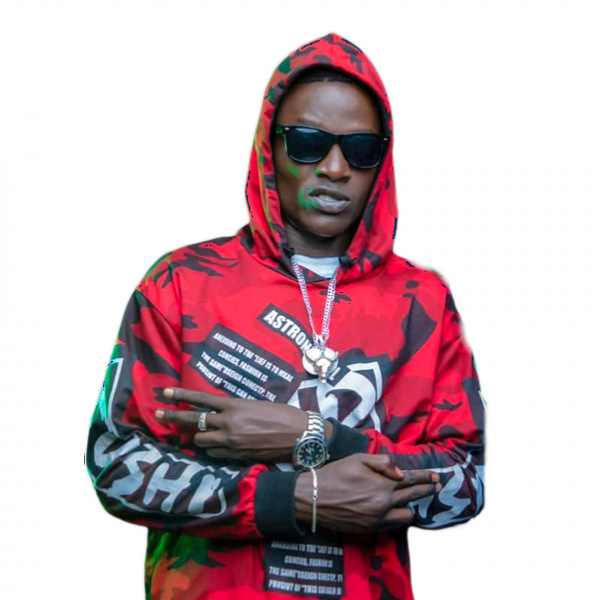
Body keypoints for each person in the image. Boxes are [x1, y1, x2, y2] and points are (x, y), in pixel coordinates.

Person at [86, 32, 485, 600]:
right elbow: (116, 465)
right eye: (307, 143)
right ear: (268, 147)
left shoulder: (422, 302)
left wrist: (314, 437)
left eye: (361, 150)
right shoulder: (181, 283)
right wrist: (293, 500)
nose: (335, 167)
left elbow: (467, 483)